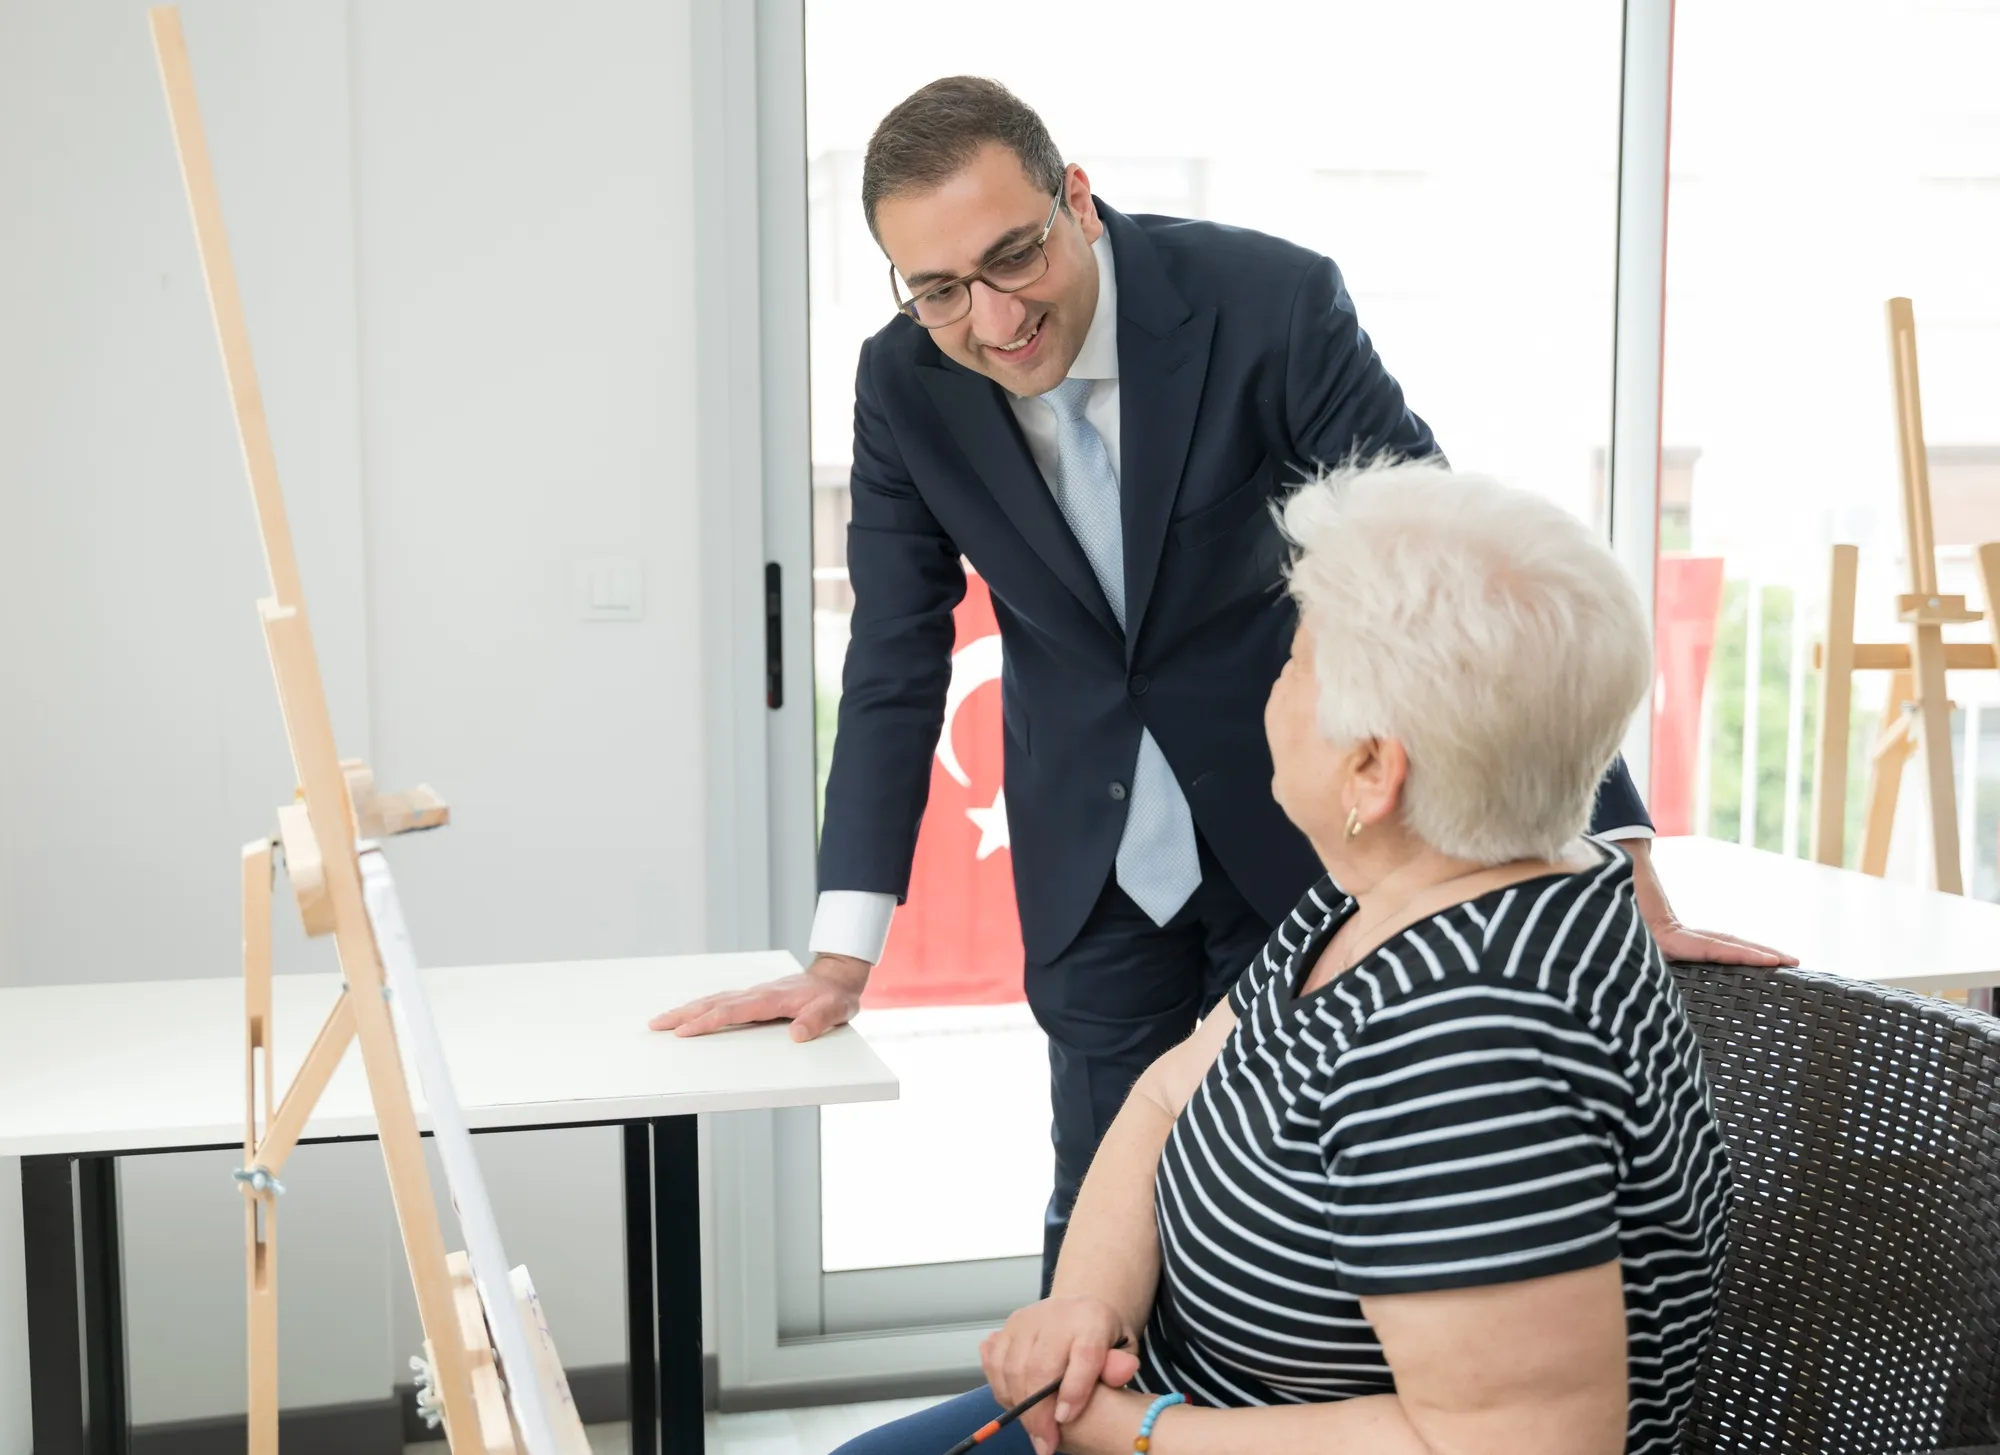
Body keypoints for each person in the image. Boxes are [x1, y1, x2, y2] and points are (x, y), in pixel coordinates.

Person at [652, 77, 1785, 1290]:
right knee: (1098, 1204)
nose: (990, 319)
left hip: (1296, 840)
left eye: (1012, 257)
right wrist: (841, 952)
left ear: (1075, 199)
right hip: (1088, 864)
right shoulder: (904, 383)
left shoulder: (1266, 303)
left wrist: (1618, 854)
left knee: (1296, 1208)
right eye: (937, 290)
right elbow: (892, 659)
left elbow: (1448, 561)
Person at [827, 460, 1732, 1455]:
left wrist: (1136, 1429)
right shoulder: (1381, 895)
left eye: (1295, 660)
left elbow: (1510, 1446)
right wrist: (1084, 1303)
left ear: (1370, 769)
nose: (1272, 681)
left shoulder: (1468, 1045)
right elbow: (1164, 1096)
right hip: (1180, 1395)